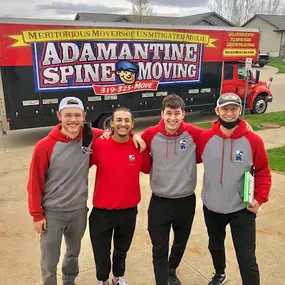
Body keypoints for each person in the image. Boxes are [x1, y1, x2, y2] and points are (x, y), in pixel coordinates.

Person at [27, 97, 145, 285]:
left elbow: (119, 130)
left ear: (84, 117)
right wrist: (36, 214)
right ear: (59, 116)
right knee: (49, 260)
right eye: (68, 115)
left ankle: (69, 281)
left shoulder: (90, 137)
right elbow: (34, 182)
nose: (72, 120)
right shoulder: (45, 146)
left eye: (77, 115)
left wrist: (134, 134)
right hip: (53, 212)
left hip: (79, 210)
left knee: (73, 253)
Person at [197, 93, 272, 285]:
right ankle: (220, 273)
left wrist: (260, 198)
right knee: (215, 246)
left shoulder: (253, 140)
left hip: (242, 208)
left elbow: (263, 170)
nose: (229, 113)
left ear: (240, 110)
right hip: (212, 206)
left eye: (234, 109)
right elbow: (178, 134)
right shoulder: (205, 138)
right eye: (225, 109)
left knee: (246, 256)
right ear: (217, 111)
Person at [141, 94, 204, 285]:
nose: (172, 118)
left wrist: (244, 127)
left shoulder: (195, 133)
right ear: (162, 113)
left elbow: (220, 135)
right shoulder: (150, 134)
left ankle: (171, 270)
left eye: (177, 113)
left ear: (183, 114)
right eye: (168, 113)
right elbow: (127, 140)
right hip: (159, 202)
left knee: (180, 244)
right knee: (158, 247)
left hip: (185, 201)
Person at [89, 107, 151, 285]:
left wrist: (136, 137)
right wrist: (102, 133)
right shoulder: (100, 144)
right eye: (119, 120)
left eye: (127, 120)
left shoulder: (139, 147)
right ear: (111, 123)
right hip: (102, 211)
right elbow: (83, 130)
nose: (122, 123)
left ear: (132, 124)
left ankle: (117, 278)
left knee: (121, 251)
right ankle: (103, 281)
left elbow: (147, 168)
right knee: (101, 253)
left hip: (128, 211)